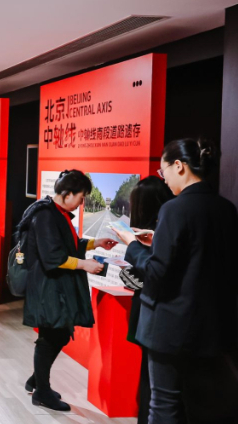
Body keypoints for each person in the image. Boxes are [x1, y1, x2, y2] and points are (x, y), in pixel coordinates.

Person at [113, 139, 238, 424]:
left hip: (170, 327)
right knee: (200, 405)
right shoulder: (225, 208)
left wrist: (133, 245)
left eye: (163, 171)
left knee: (164, 403)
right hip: (213, 326)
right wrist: (159, 240)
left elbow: (156, 272)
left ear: (179, 166)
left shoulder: (174, 209)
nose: (164, 179)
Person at [19, 170, 117, 411]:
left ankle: (37, 381)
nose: (82, 202)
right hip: (47, 286)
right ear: (68, 193)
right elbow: (53, 256)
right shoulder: (45, 215)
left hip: (54, 285)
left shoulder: (57, 213)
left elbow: (68, 245)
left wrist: (95, 243)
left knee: (57, 334)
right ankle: (41, 391)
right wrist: (85, 264)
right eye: (81, 197)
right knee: (50, 336)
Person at [120, 176, 174, 424]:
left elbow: (152, 273)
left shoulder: (163, 227)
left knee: (154, 387)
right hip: (166, 317)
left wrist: (134, 251)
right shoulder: (166, 224)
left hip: (155, 315)